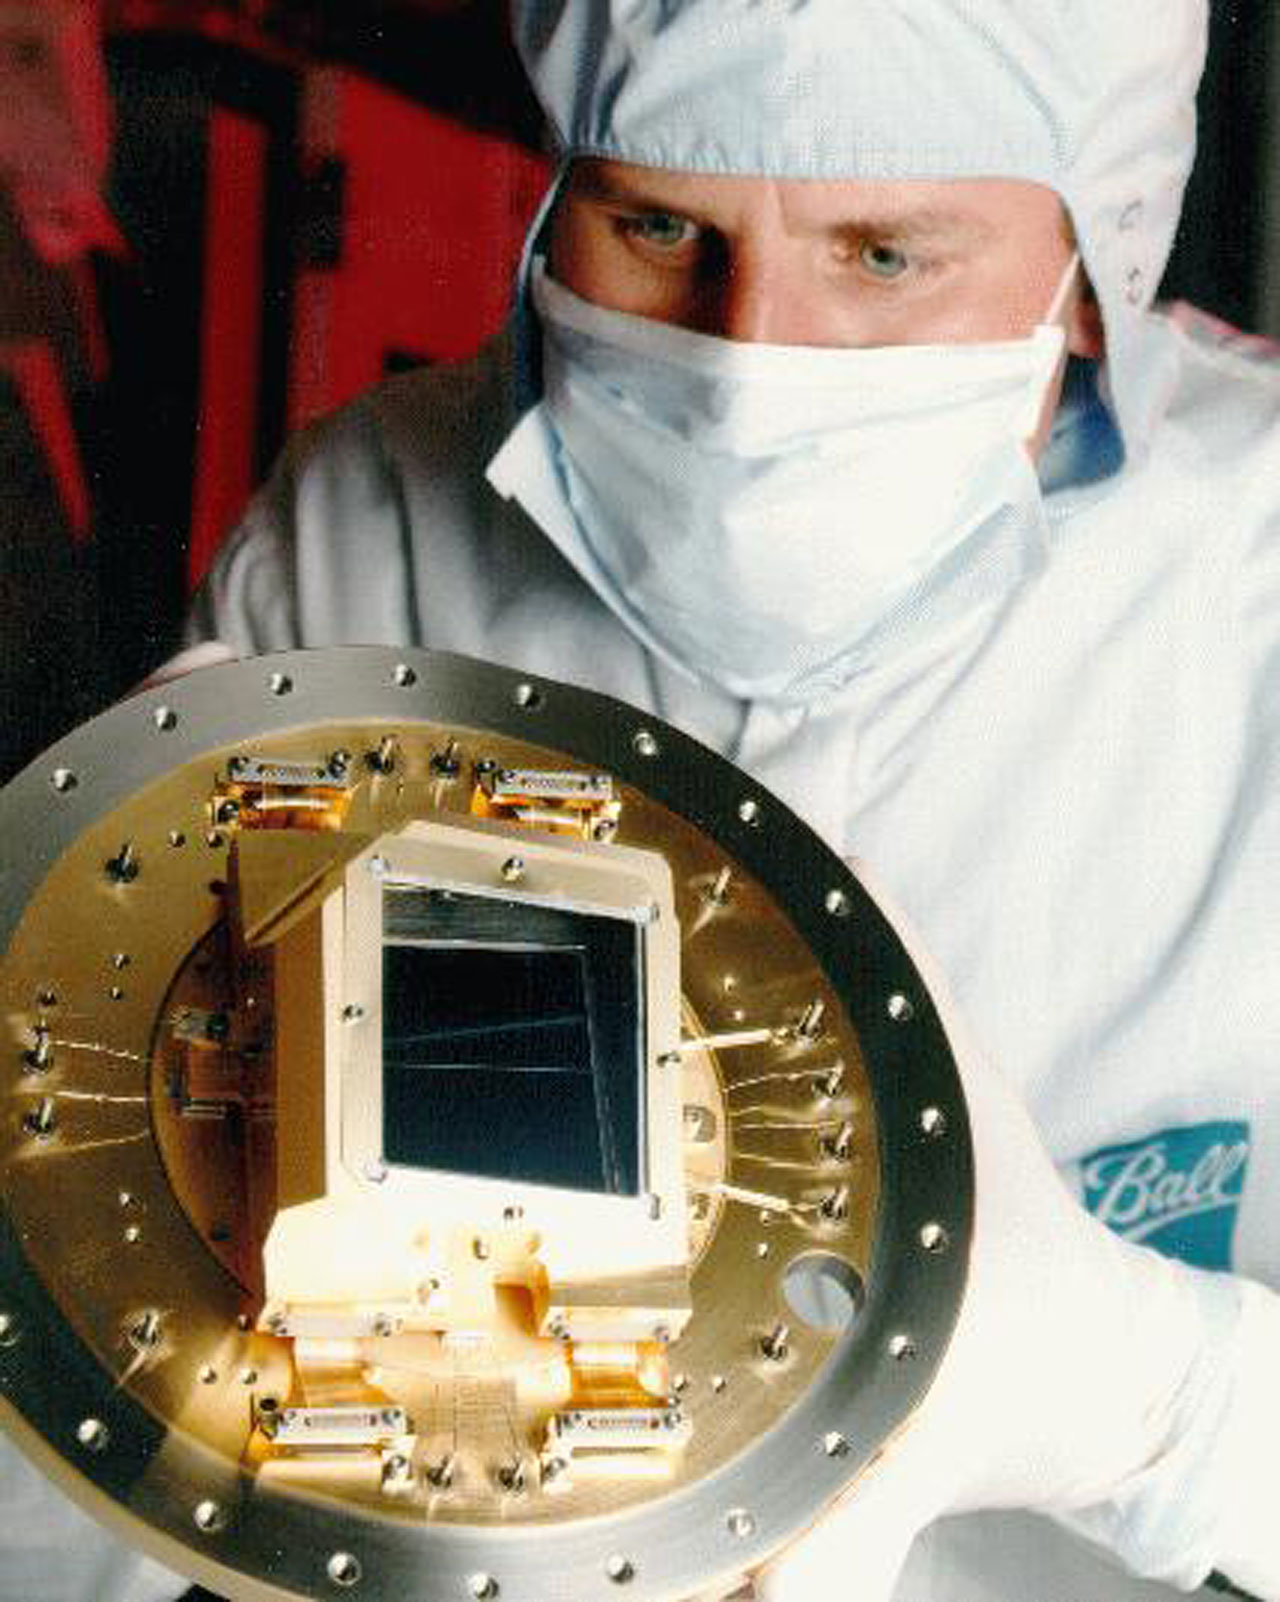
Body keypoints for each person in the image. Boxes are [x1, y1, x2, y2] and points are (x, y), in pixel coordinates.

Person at [7, 2, 1278, 1598]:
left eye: (885, 256)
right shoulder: (364, 531)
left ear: (1098, 265)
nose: (748, 368)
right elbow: (129, 1466)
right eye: (658, 226)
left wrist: (1160, 1398)